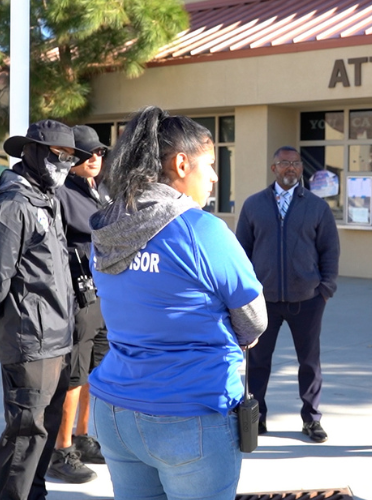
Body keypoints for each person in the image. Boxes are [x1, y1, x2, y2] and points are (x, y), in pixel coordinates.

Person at [87, 106, 267, 500]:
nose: (216, 177)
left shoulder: (106, 228)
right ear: (182, 164)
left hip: (115, 411)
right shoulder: (203, 231)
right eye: (212, 165)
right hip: (189, 415)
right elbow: (254, 320)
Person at [0, 119, 91, 500]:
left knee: (43, 434)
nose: (66, 164)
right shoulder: (12, 203)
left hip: (57, 336)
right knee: (25, 436)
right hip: (29, 341)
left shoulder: (46, 197)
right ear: (34, 153)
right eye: (59, 155)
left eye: (71, 158)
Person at [235, 146, 340, 443]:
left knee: (309, 362)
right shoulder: (254, 205)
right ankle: (258, 417)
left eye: (295, 163)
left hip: (307, 300)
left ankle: (312, 419)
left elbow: (329, 250)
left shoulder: (317, 207)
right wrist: (245, 293)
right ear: (274, 168)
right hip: (263, 301)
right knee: (257, 361)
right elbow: (241, 252)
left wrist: (325, 289)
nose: (291, 168)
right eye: (284, 163)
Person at [46, 125, 110, 483]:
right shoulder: (62, 193)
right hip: (78, 296)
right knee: (73, 375)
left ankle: (83, 438)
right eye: (89, 154)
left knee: (94, 372)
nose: (96, 159)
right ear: (72, 159)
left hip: (102, 294)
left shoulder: (99, 191)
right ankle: (62, 449)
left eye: (100, 153)